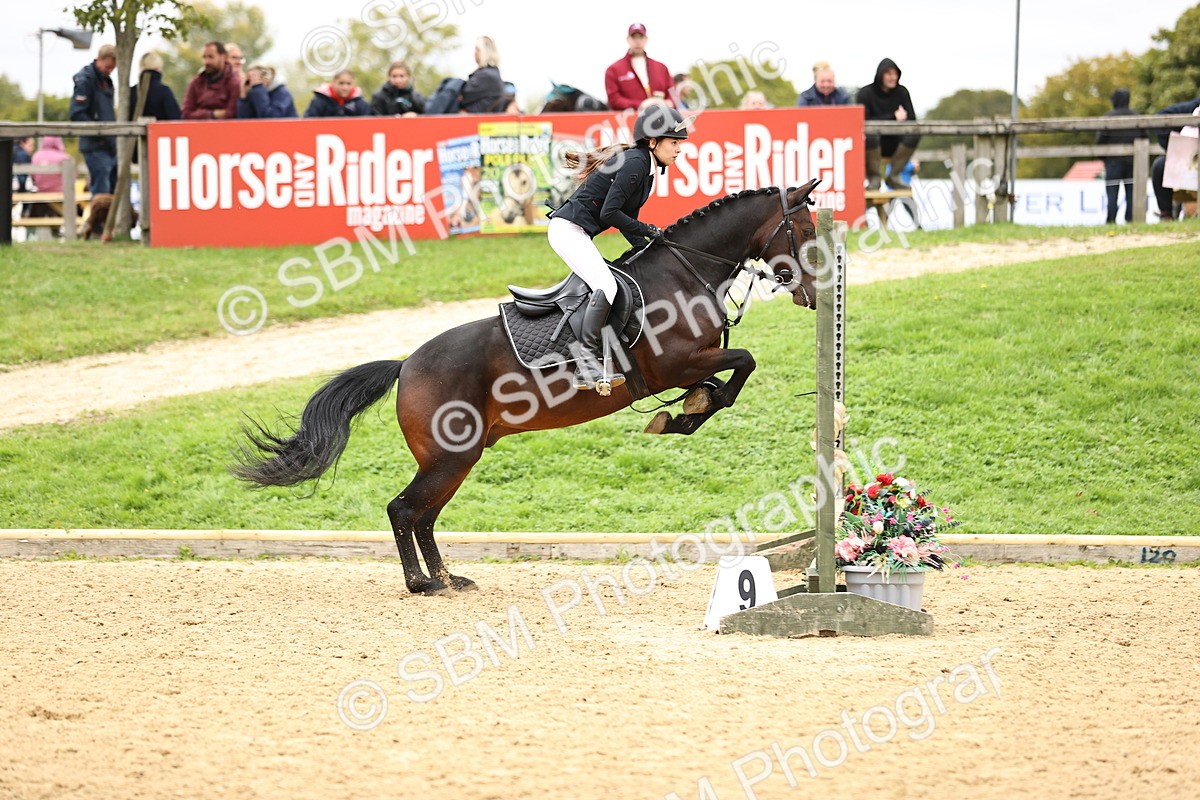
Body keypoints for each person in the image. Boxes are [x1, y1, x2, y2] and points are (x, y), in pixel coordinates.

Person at [546, 103, 690, 392]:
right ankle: (585, 362)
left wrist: (651, 248)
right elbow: (609, 214)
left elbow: (627, 220)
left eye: (679, 143)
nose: (678, 149)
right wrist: (649, 231)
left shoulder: (645, 167)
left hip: (576, 231)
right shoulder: (636, 162)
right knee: (606, 285)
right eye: (673, 142)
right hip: (568, 231)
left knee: (610, 282)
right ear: (653, 142)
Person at [856, 57, 920, 190]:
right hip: (872, 144)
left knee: (915, 133)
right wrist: (893, 117)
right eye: (889, 73)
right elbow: (861, 122)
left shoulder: (902, 92)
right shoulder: (865, 93)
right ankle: (874, 178)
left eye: (895, 74)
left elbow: (912, 120)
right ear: (881, 75)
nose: (893, 77)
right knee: (871, 134)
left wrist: (902, 119)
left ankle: (894, 176)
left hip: (896, 143)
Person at [69, 43, 118, 196]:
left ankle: (109, 220)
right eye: (108, 67)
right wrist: (99, 131)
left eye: (112, 68)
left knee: (112, 190)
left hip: (109, 144)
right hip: (95, 144)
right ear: (100, 59)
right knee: (101, 192)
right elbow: (77, 114)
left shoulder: (106, 81)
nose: (109, 71)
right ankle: (98, 221)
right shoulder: (86, 80)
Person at [1095, 88, 1142, 224]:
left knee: (1112, 192)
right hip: (1133, 161)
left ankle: (1111, 219)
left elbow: (1100, 141)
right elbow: (1144, 137)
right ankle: (1131, 219)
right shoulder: (1137, 117)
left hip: (1113, 161)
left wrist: (1103, 157)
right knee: (1132, 192)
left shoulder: (1108, 117)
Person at [605, 23, 675, 112]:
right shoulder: (614, 69)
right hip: (630, 121)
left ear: (646, 39)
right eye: (634, 37)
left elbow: (673, 93)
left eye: (640, 37)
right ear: (628, 39)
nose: (637, 41)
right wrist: (641, 105)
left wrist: (669, 102)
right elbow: (614, 100)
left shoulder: (661, 68)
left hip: (662, 119)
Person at [1151, 95, 1200, 221]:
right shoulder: (1194, 107)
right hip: (1192, 162)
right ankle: (1166, 214)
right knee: (1160, 165)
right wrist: (1174, 150)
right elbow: (1162, 117)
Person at [182, 41, 240, 119]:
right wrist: (213, 114)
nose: (206, 62)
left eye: (211, 57)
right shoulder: (196, 82)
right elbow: (186, 113)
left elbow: (231, 114)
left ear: (223, 57)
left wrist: (199, 113)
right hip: (198, 129)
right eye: (204, 57)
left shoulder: (234, 82)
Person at [129, 52, 181, 121]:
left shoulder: (131, 91)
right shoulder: (164, 91)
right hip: (161, 131)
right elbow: (175, 118)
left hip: (133, 131)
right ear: (158, 68)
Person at [460, 37, 505, 113]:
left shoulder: (486, 76)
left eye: (478, 49)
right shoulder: (492, 73)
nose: (475, 53)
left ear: (486, 52)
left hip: (473, 120)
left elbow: (463, 95)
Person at [304, 69, 372, 117]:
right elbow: (308, 122)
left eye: (348, 84)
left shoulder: (360, 104)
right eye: (341, 83)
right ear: (333, 82)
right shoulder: (320, 101)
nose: (345, 88)